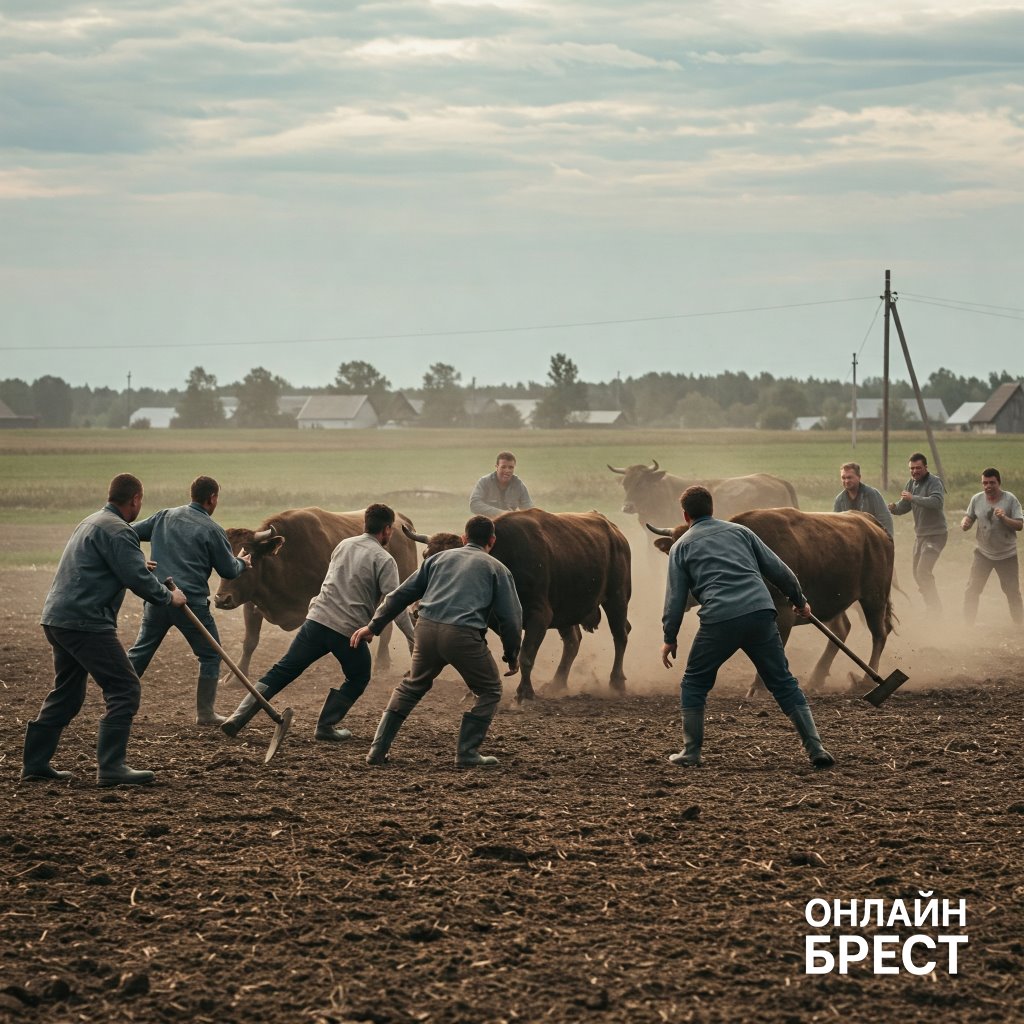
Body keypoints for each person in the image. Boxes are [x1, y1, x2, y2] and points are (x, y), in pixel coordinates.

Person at [22, 473, 188, 787]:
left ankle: (35, 763)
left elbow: (103, 564)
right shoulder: (120, 531)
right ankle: (112, 767)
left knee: (67, 693)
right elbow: (140, 582)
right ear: (136, 499)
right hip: (86, 623)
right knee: (125, 688)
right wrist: (170, 597)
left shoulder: (92, 521)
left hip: (58, 618)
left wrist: (136, 564)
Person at [661, 485, 834, 769]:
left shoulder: (680, 547)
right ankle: (816, 749)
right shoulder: (741, 533)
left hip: (719, 620)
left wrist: (670, 637)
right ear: (712, 509)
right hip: (760, 613)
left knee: (694, 682)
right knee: (783, 682)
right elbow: (779, 570)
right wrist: (799, 600)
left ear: (685, 515)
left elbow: (676, 598)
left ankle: (691, 752)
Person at [221, 504, 415, 741]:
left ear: (365, 524)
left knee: (282, 671)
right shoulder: (384, 559)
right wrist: (412, 637)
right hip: (346, 632)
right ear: (387, 530)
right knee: (358, 677)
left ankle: (237, 717)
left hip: (315, 621)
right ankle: (325, 726)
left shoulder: (343, 545)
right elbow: (394, 604)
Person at [350, 515, 522, 768]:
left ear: (464, 538)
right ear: (492, 541)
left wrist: (373, 626)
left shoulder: (437, 559)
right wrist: (512, 654)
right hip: (463, 635)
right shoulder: (497, 568)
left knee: (410, 687)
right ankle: (467, 753)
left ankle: (376, 751)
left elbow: (399, 596)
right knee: (490, 690)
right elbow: (510, 617)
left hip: (426, 631)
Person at [127, 475, 251, 726]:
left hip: (158, 598)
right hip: (189, 604)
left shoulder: (164, 516)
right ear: (212, 498)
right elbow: (228, 570)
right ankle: (205, 713)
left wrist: (137, 561)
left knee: (140, 653)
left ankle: (117, 697)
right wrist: (242, 563)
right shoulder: (211, 529)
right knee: (210, 655)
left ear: (192, 494)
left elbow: (126, 533)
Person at [960, 468, 1023, 626]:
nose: (988, 486)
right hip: (983, 553)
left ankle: (1020, 624)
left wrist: (1004, 518)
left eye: (992, 483)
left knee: (1012, 592)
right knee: (972, 589)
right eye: (985, 483)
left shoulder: (1010, 500)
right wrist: (965, 523)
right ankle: (967, 624)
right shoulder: (977, 499)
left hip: (1006, 554)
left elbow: (1020, 525)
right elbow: (969, 518)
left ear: (999, 483)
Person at [888, 452, 947, 613]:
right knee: (916, 573)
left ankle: (935, 609)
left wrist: (913, 497)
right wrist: (893, 509)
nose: (914, 471)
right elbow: (904, 506)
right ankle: (931, 605)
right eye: (912, 468)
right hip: (921, 535)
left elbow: (936, 502)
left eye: (918, 468)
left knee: (923, 572)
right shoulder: (911, 483)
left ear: (926, 467)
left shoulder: (934, 482)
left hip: (936, 534)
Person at [833, 461, 894, 539]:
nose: (846, 481)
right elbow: (836, 525)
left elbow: (885, 519)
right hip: (849, 542)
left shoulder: (872, 494)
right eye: (843, 478)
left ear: (859, 477)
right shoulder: (839, 500)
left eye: (849, 477)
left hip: (871, 539)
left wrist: (887, 540)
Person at [469, 451, 533, 517]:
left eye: (511, 467)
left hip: (510, 523)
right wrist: (502, 513)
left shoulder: (518, 484)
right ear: (497, 467)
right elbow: (474, 504)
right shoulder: (484, 481)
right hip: (488, 523)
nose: (507, 470)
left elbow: (529, 508)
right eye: (503, 467)